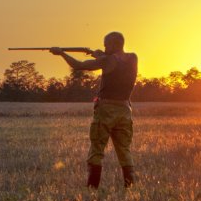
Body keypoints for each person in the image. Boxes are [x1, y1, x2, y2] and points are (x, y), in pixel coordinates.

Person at [51, 31, 138, 189]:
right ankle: (130, 187)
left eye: (106, 45)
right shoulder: (133, 58)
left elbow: (79, 65)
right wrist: (97, 55)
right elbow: (113, 61)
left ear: (112, 44)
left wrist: (62, 53)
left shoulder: (107, 60)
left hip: (106, 110)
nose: (104, 47)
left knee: (97, 148)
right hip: (125, 110)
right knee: (124, 150)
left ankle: (92, 189)